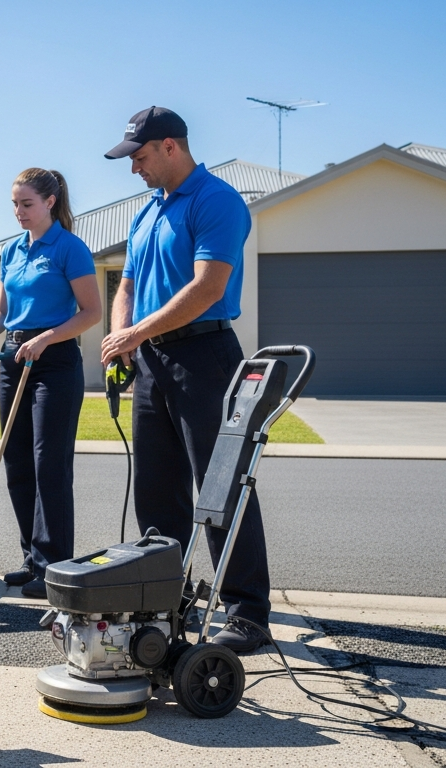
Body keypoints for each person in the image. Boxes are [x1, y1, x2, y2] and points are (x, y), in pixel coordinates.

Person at [99, 106, 271, 653]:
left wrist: (132, 335)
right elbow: (125, 284)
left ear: (170, 146)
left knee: (219, 485)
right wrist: (120, 338)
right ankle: (162, 599)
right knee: (156, 490)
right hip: (150, 359)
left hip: (206, 355)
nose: (135, 169)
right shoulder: (148, 210)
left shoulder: (216, 201)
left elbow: (207, 288)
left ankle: (247, 610)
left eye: (141, 157)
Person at [0, 169, 101, 598]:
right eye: (15, 205)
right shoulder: (12, 251)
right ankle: (32, 559)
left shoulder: (70, 248)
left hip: (54, 362)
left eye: (27, 204)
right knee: (17, 463)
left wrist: (47, 337)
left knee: (48, 465)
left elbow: (91, 311)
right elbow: (2, 311)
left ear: (50, 201)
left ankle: (53, 566)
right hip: (13, 359)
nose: (19, 212)